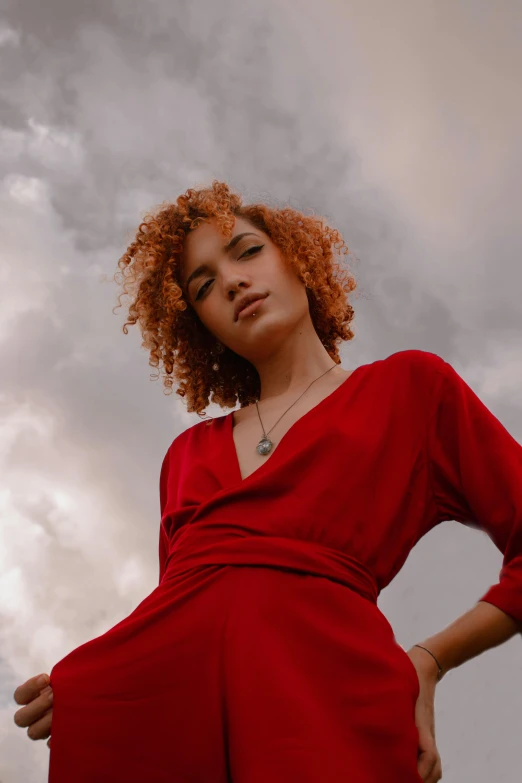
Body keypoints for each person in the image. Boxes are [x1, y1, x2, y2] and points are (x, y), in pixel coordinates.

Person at [12, 180, 522, 783]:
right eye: (202, 286)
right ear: (200, 326)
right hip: (182, 732)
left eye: (246, 251)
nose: (229, 280)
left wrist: (431, 659)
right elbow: (185, 616)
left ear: (296, 257)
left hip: (333, 706)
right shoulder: (186, 455)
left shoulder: (411, 389)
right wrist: (91, 685)